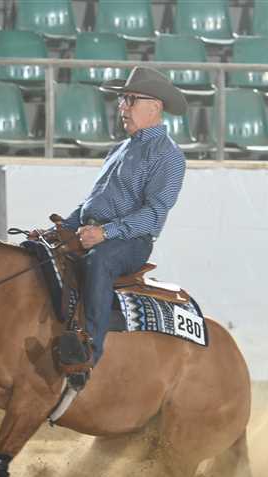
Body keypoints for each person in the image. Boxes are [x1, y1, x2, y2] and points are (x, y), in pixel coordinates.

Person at [32, 67, 188, 390]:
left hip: (131, 241)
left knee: (99, 261)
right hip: (92, 231)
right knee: (36, 254)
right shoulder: (120, 148)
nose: (122, 107)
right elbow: (91, 203)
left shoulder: (169, 156)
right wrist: (60, 229)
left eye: (130, 100)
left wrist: (105, 233)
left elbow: (154, 214)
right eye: (122, 100)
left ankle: (88, 351)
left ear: (155, 107)